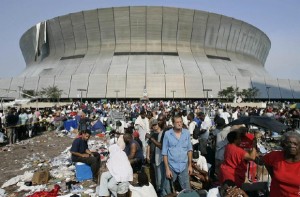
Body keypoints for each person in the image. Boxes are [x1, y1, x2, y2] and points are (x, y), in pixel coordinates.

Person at [162, 115, 193, 196]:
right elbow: (164, 153)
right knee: (168, 190)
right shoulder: (167, 134)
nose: (179, 124)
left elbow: (189, 149)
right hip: (171, 166)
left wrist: (190, 165)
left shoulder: (186, 133)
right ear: (173, 123)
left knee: (187, 190)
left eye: (181, 122)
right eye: (177, 122)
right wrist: (167, 169)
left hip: (184, 166)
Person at [263, 131, 300, 196]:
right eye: (288, 143)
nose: (292, 146)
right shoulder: (275, 156)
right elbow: (265, 161)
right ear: (283, 145)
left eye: (295, 144)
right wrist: (274, 176)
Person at [146, 118, 164, 193]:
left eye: (155, 124)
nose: (154, 126)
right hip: (153, 157)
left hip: (161, 158)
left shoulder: (162, 133)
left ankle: (161, 191)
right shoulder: (152, 134)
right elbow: (148, 145)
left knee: (160, 177)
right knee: (156, 177)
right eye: (153, 125)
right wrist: (147, 155)